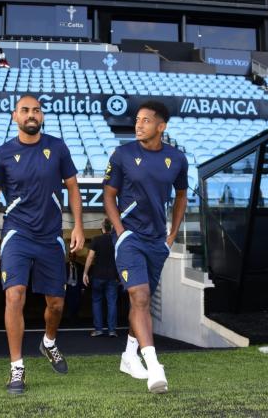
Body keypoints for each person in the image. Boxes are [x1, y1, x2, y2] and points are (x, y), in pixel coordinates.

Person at [0, 95, 85, 395]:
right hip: (17, 235)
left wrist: (78, 225)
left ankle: (48, 342)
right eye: (25, 110)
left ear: (42, 116)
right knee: (15, 295)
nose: (31, 115)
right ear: (15, 116)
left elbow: (73, 187)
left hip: (51, 236)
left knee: (56, 304)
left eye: (36, 110)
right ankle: (17, 369)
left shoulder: (58, 148)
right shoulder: (3, 153)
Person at [103, 100, 188, 394]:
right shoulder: (123, 154)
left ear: (161, 127)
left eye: (146, 120)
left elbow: (181, 196)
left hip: (156, 240)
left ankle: (129, 355)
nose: (138, 124)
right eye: (137, 120)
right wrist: (120, 232)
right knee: (139, 295)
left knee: (143, 299)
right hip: (129, 238)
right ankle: (154, 366)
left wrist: (172, 233)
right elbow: (109, 195)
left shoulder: (177, 158)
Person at [83, 218, 119, 337]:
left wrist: (85, 273)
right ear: (112, 228)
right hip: (112, 276)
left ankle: (98, 329)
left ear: (102, 228)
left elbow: (90, 257)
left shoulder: (96, 240)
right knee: (112, 302)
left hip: (98, 276)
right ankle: (112, 330)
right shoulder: (116, 241)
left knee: (97, 301)